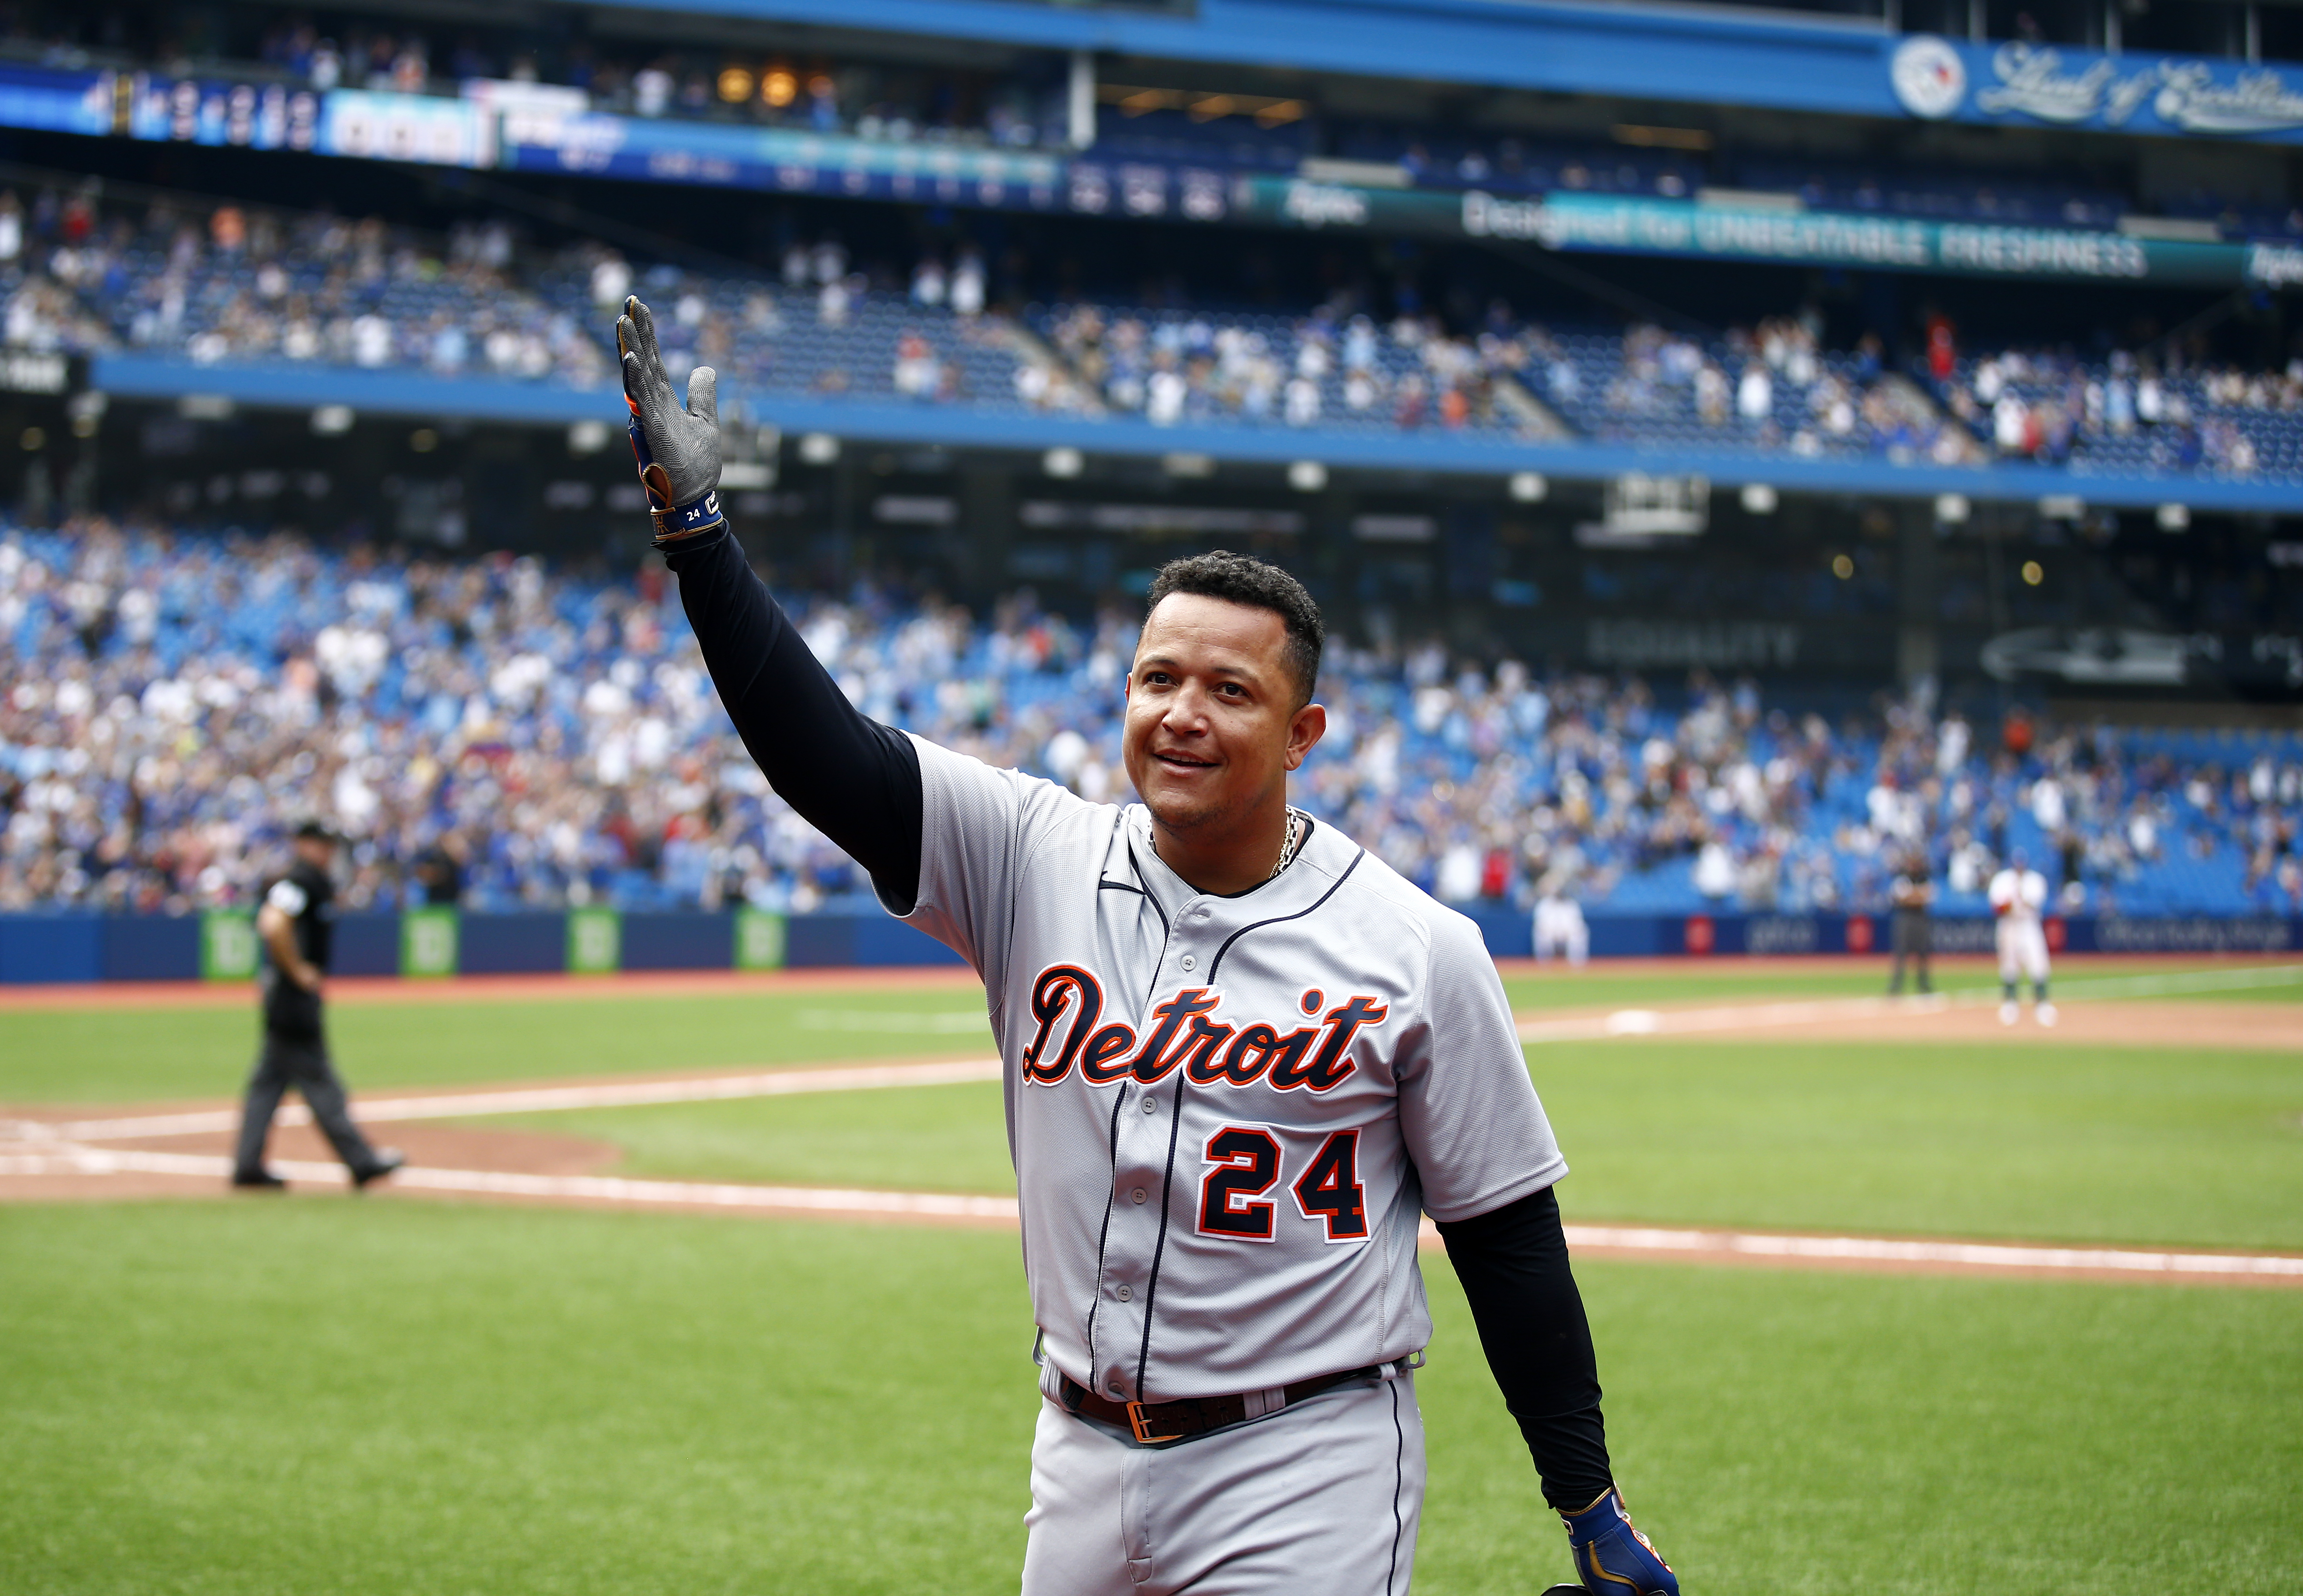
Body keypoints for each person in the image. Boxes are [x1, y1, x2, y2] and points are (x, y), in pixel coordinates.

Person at [618, 298, 1677, 1596]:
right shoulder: (1026, 852)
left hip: (1306, 1454)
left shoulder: (1419, 947)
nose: (1182, 712)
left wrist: (1585, 1497)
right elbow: (819, 750)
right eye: (1156, 677)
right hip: (1075, 1448)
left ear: (1304, 734)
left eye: (1231, 690)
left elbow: (1508, 1235)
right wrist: (699, 540)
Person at [231, 823, 406, 1190]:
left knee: (269, 1081)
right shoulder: (300, 881)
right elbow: (272, 923)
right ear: (303, 845)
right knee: (320, 1080)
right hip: (293, 997)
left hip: (283, 994)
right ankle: (361, 1161)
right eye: (321, 844)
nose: (328, 851)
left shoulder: (309, 880)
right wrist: (297, 970)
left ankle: (248, 1164)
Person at [1986, 848, 2055, 1027]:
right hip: (2009, 925)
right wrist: (2011, 901)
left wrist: (2019, 897)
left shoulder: (2035, 880)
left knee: (2038, 963)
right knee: (2009, 965)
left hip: (2028, 924)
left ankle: (2042, 1005)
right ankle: (2010, 1005)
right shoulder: (2002, 880)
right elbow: (1998, 907)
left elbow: (2034, 903)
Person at [1886, 849, 1934, 995]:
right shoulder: (1902, 879)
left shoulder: (1924, 878)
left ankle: (1924, 987)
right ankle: (1896, 988)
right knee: (1901, 953)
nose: (1914, 866)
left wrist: (1913, 896)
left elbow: (1926, 898)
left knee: (1923, 953)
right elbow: (1902, 899)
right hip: (1905, 918)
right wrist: (1917, 895)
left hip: (1920, 918)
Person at [1532, 885, 1589, 967]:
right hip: (1549, 934)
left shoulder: (1571, 904)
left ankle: (1577, 965)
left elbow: (1577, 923)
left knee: (1579, 935)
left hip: (1568, 934)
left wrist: (1567, 933)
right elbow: (1540, 924)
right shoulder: (1544, 904)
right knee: (1542, 936)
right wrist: (1553, 933)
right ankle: (1544, 965)